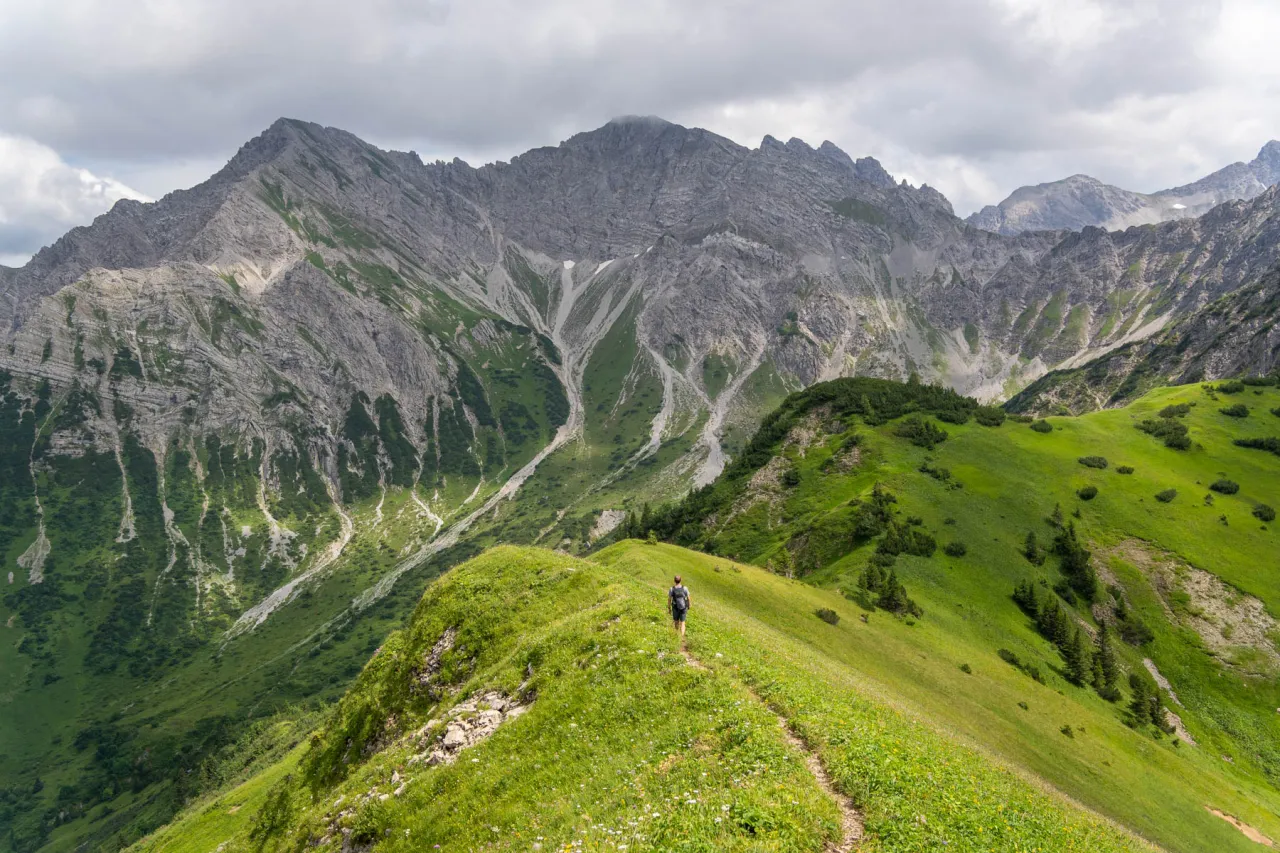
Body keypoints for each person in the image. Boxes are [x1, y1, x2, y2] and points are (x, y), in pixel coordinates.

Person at [668, 575, 690, 641]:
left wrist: (669, 608)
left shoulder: (672, 589)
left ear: (674, 581)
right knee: (683, 622)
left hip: (675, 607)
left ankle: (677, 634)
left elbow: (669, 599)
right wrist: (689, 605)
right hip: (683, 607)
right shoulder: (685, 588)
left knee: (676, 621)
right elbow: (688, 598)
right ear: (681, 580)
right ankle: (682, 636)